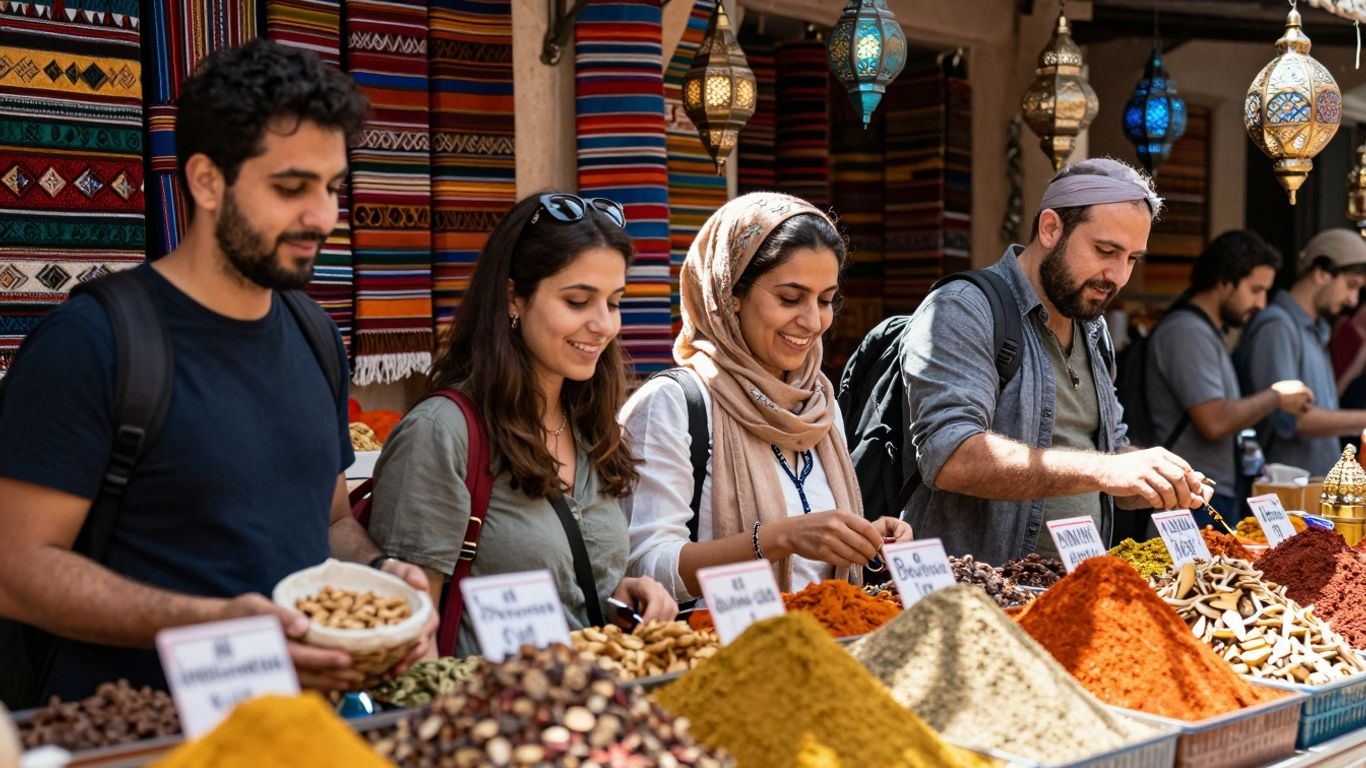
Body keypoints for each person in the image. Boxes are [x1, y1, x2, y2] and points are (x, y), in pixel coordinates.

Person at [0, 39, 435, 704]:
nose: (323, 216)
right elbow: (15, 570)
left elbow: (327, 525)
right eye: (291, 187)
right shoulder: (93, 343)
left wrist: (381, 574)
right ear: (206, 180)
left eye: (332, 188)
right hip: (139, 734)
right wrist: (214, 626)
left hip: (301, 730)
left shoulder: (316, 336)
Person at [365, 193, 676, 656]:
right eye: (577, 301)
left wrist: (620, 595)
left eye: (614, 303)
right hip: (491, 698)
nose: (604, 325)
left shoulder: (590, 423)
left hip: (600, 694)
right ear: (514, 297)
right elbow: (410, 637)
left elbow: (567, 588)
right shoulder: (441, 432)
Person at [901, 157, 1213, 564]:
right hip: (978, 589)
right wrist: (1104, 471)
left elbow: (1106, 453)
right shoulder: (962, 307)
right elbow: (950, 456)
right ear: (1050, 228)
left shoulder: (1093, 327)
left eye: (1132, 259)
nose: (1118, 276)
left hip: (1076, 585)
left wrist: (1153, 477)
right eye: (1105, 251)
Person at [621, 192, 912, 602]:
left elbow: (813, 556)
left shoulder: (819, 406)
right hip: (722, 641)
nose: (812, 321)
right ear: (731, 296)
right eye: (790, 299)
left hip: (830, 640)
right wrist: (775, 539)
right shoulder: (674, 405)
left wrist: (864, 538)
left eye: (825, 300)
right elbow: (645, 567)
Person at [1145, 230, 1313, 526]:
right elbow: (1214, 421)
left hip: (1202, 493)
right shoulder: (1187, 332)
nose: (1262, 303)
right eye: (1256, 290)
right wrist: (1275, 397)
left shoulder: (1205, 331)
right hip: (1186, 498)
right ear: (1224, 281)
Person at [1235, 228, 1366, 475]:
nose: (1352, 300)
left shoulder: (1315, 329)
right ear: (1321, 272)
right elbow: (1294, 419)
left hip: (1312, 486)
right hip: (1284, 489)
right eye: (1351, 285)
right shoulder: (1277, 326)